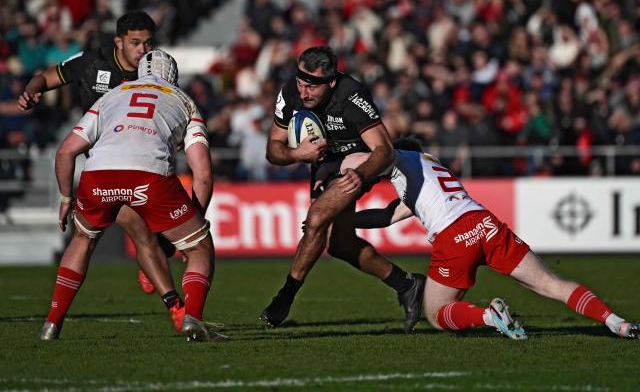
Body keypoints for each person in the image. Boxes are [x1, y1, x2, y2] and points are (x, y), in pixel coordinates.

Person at [332, 138, 639, 340]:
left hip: (454, 237)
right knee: (550, 283)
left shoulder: (399, 159)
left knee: (437, 314)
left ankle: (489, 316)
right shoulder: (430, 169)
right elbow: (387, 216)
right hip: (485, 223)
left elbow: (360, 159)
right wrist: (345, 219)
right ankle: (617, 322)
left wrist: (334, 180)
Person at [39, 50, 225, 342]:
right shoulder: (184, 101)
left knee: (83, 239)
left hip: (99, 173)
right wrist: (196, 219)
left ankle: (51, 323)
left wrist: (65, 200)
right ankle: (193, 320)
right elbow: (202, 173)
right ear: (172, 77)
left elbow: (66, 152)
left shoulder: (112, 95)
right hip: (149, 174)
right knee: (199, 248)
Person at [17, 11, 185, 331]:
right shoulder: (92, 63)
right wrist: (33, 88)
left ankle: (53, 322)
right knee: (139, 232)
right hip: (107, 163)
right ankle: (176, 306)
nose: (143, 51)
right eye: (135, 43)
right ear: (118, 42)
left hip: (149, 162)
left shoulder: (156, 72)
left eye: (148, 43)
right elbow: (49, 75)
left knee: (128, 236)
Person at [260, 46, 425, 333]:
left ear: (331, 82)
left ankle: (285, 296)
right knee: (341, 245)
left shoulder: (351, 95)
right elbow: (273, 150)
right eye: (301, 83)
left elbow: (384, 151)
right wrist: (298, 154)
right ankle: (407, 284)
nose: (304, 92)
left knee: (316, 219)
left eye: (312, 86)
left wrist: (361, 175)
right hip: (324, 165)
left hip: (358, 163)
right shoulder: (290, 93)